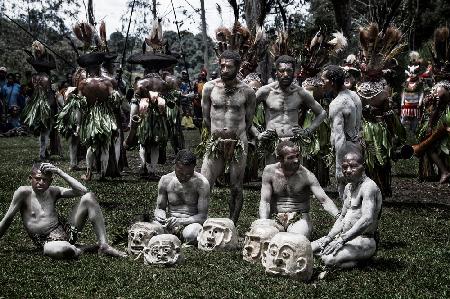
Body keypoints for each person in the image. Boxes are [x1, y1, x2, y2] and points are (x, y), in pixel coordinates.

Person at [0, 163, 126, 259]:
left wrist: (60, 172)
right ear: (30, 178)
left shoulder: (53, 191)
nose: (41, 182)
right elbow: (6, 221)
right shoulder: (23, 193)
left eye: (45, 180)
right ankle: (82, 248)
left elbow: (82, 191)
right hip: (47, 241)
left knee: (89, 197)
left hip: (66, 231)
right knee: (65, 249)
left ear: (50, 181)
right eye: (38, 179)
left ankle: (104, 245)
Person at [200, 50, 256, 223]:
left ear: (237, 68)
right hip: (215, 142)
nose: (224, 70)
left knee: (236, 186)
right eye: (222, 65)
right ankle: (200, 221)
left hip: (239, 142)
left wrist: (236, 136)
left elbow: (248, 121)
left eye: (229, 67)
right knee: (203, 183)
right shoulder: (209, 88)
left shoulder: (247, 92)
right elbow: (206, 118)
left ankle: (232, 224)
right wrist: (218, 136)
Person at [312, 151, 382, 268]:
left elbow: (367, 219)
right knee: (306, 249)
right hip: (343, 237)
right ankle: (347, 256)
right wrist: (329, 237)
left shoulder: (369, 187)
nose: (348, 170)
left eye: (353, 166)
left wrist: (341, 240)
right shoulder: (348, 187)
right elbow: (343, 217)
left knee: (327, 259)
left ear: (363, 167)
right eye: (345, 167)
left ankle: (362, 261)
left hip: (364, 240)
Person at [259, 140, 339, 239]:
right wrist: (263, 222)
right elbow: (265, 201)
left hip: (298, 219)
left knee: (294, 241)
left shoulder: (306, 175)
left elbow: (324, 200)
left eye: (297, 156)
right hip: (276, 218)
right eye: (291, 157)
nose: (296, 160)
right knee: (261, 236)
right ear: (279, 158)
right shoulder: (269, 171)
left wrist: (339, 217)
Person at [256, 55, 326, 164]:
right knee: (273, 176)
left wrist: (308, 131)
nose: (285, 74)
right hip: (272, 141)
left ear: (294, 73)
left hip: (294, 142)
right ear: (276, 73)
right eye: (282, 71)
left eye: (289, 71)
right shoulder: (265, 91)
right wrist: (257, 134)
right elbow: (246, 112)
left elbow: (322, 113)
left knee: (296, 177)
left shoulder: (300, 92)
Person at [321, 65, 362, 199]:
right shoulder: (354, 95)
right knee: (357, 188)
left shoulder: (337, 103)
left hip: (345, 150)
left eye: (324, 80)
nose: (321, 84)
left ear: (332, 82)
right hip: (357, 145)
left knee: (346, 192)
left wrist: (339, 167)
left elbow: (339, 137)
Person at [154, 150, 210, 244]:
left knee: (191, 234)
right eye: (180, 173)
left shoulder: (202, 183)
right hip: (170, 223)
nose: (183, 177)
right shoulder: (165, 180)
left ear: (193, 168)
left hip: (191, 223)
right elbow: (159, 208)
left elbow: (203, 216)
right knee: (152, 229)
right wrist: (161, 217)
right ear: (175, 165)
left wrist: (181, 221)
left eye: (188, 174)